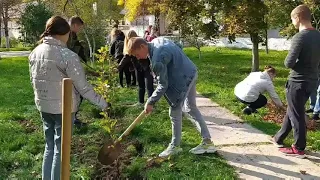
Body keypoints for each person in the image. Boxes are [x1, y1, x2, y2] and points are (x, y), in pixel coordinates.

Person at [29, 16, 110, 180]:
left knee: (49, 147)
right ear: (64, 33)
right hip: (63, 109)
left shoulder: (35, 52)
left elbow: (33, 80)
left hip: (43, 105)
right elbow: (84, 88)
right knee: (60, 150)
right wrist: (104, 104)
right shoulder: (67, 56)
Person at [127, 37, 217, 157]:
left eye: (137, 54)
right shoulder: (158, 40)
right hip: (191, 71)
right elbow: (178, 46)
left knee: (174, 111)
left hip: (184, 79)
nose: (137, 58)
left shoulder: (157, 59)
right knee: (191, 108)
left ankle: (175, 146)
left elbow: (163, 85)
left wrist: (150, 101)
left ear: (143, 46)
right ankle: (207, 142)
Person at [273, 5, 320, 158]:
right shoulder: (318, 35)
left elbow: (289, 62)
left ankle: (299, 148)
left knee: (296, 113)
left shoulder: (300, 37)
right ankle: (279, 138)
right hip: (312, 81)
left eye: (292, 19)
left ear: (298, 17)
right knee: (293, 110)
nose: (292, 22)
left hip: (297, 81)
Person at [119, 30, 154, 106]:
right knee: (141, 86)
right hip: (138, 69)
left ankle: (151, 103)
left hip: (147, 68)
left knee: (149, 86)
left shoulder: (140, 43)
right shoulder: (129, 47)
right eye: (128, 39)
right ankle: (141, 102)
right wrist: (119, 67)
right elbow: (126, 58)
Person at [67, 16, 87, 127]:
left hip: (72, 69)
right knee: (77, 93)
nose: (79, 29)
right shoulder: (68, 35)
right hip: (70, 70)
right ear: (75, 25)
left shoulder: (71, 35)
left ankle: (73, 118)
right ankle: (71, 119)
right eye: (79, 27)